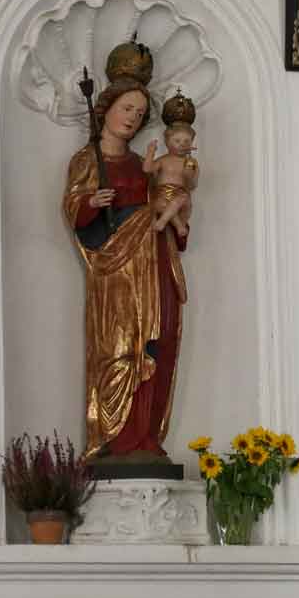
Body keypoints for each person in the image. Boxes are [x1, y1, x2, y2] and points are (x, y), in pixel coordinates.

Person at [62, 58, 189, 461]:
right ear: (107, 109)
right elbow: (73, 208)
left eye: (140, 112)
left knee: (156, 343)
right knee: (120, 348)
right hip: (115, 272)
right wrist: (91, 203)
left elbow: (163, 203)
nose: (133, 117)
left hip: (154, 263)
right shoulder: (87, 160)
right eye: (127, 108)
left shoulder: (141, 165)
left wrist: (173, 210)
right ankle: (114, 439)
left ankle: (145, 438)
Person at [142, 123, 198, 236]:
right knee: (163, 204)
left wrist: (188, 173)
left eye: (187, 141)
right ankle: (178, 226)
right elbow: (147, 169)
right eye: (177, 141)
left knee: (181, 198)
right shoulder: (163, 160)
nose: (182, 144)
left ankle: (163, 222)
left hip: (181, 195)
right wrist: (150, 153)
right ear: (167, 142)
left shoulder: (191, 162)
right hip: (162, 195)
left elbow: (192, 185)